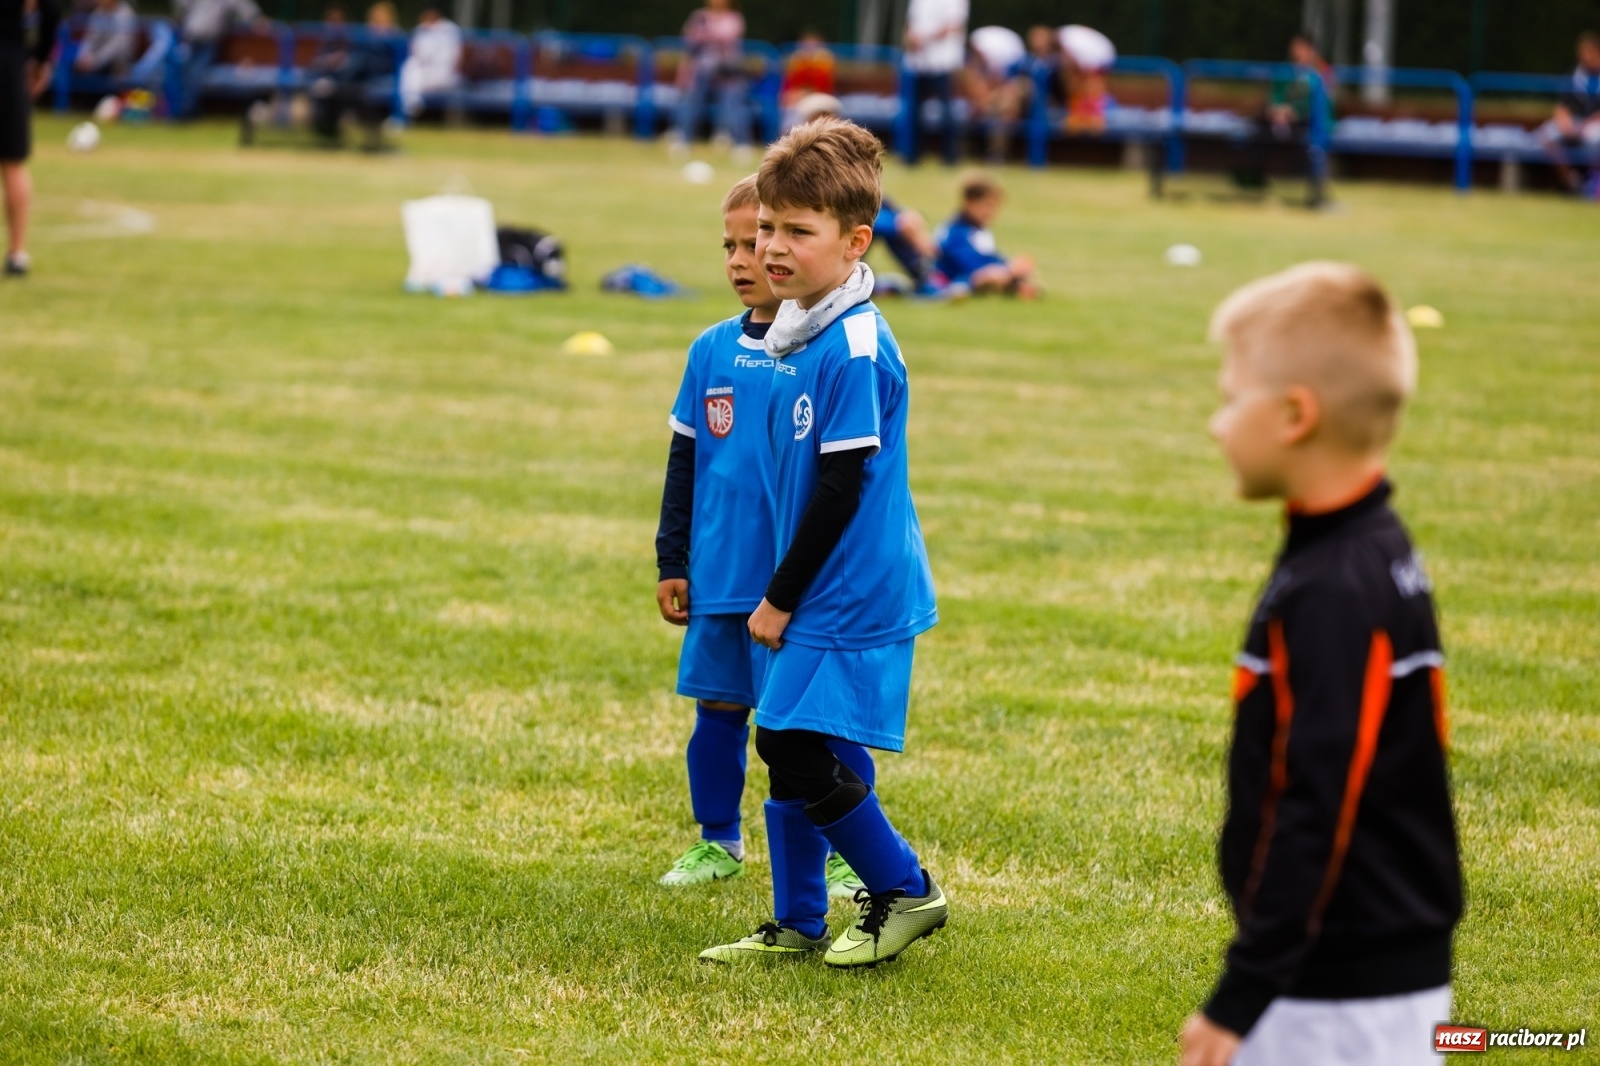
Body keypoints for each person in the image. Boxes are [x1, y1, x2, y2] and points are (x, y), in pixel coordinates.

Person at [1179, 262, 1463, 1066]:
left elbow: (1318, 797)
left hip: (1339, 992)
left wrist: (1242, 995)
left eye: (1231, 399)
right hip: (1351, 971)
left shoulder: (1335, 587)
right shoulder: (1363, 545)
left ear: (1295, 415)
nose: (1217, 425)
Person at [700, 116, 946, 967]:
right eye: (767, 226)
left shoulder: (854, 344)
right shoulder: (796, 327)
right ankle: (800, 921)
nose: (773, 247)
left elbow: (843, 489)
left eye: (798, 232)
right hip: (811, 578)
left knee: (788, 741)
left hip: (846, 583)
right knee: (792, 738)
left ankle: (905, 888)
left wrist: (779, 596)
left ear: (855, 241)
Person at [655, 175, 871, 899]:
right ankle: (718, 839)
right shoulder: (710, 349)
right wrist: (672, 558)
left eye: (757, 242)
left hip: (795, 584)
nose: (745, 259)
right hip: (721, 574)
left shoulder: (822, 351)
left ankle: (844, 852)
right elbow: (684, 462)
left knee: (817, 722)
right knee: (717, 709)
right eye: (732, 245)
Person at [793, 91, 944, 295]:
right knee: (886, 225)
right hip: (816, 233)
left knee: (893, 221)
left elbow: (868, 197)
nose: (827, 122)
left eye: (831, 116)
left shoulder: (841, 158)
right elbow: (829, 210)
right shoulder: (802, 160)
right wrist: (897, 223)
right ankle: (925, 279)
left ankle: (923, 277)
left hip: (842, 229)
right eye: (819, 117)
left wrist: (904, 216)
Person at [2, 0, 59, 276]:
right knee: (13, 160)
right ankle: (17, 254)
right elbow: (50, 9)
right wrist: (40, 60)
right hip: (8, 61)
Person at [308, 0, 397, 143]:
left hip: (377, 75)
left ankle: (333, 84)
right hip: (359, 78)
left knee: (356, 64)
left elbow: (387, 64)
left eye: (380, 19)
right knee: (349, 72)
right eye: (374, 19)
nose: (376, 23)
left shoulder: (394, 38)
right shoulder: (364, 36)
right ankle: (330, 91)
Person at [934, 172, 1036, 297]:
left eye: (994, 207)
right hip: (950, 281)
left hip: (968, 277)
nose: (990, 212)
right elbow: (970, 264)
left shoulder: (979, 230)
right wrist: (1007, 269)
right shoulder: (955, 231)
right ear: (969, 203)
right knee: (992, 275)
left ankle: (1018, 286)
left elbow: (989, 256)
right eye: (986, 206)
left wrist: (1011, 266)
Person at [670, 0, 749, 154]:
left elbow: (727, 36)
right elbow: (689, 41)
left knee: (733, 101)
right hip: (701, 73)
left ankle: (741, 144)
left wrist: (706, 32)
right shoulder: (699, 16)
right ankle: (683, 140)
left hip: (727, 73)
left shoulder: (734, 18)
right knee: (692, 99)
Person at [173, 0, 266, 117]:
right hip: (204, 36)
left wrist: (179, 17)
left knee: (190, 72)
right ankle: (186, 109)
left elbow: (182, 5)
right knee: (192, 73)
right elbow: (243, 6)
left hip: (195, 34)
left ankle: (184, 109)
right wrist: (256, 18)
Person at [902, 0, 966, 165]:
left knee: (946, 110)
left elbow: (953, 26)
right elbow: (911, 23)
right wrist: (910, 38)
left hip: (943, 62)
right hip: (918, 62)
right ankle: (914, 154)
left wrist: (923, 39)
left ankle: (949, 156)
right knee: (915, 110)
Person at [1538, 31, 1600, 196]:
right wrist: (1565, 122)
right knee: (1546, 135)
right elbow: (1561, 106)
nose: (1584, 57)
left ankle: (1594, 182)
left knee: (1594, 139)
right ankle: (1573, 182)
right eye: (1582, 53)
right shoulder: (1575, 74)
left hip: (1594, 124)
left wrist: (1585, 125)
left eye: (1588, 52)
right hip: (1576, 123)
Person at [965, 25, 1025, 163]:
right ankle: (970, 152)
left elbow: (1006, 96)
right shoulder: (974, 68)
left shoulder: (1018, 78)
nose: (976, 54)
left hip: (1001, 107)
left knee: (1001, 111)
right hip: (986, 106)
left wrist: (990, 101)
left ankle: (996, 154)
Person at [398, 6, 459, 117]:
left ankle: (406, 111)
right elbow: (415, 53)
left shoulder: (449, 29)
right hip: (424, 75)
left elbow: (456, 58)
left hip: (445, 75)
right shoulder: (420, 29)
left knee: (411, 71)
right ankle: (411, 106)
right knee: (410, 67)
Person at [72, 0, 137, 76]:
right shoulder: (97, 13)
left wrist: (95, 60)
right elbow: (89, 39)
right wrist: (82, 56)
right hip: (96, 59)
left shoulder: (125, 14)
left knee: (118, 66)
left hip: (117, 61)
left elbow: (117, 47)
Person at [779, 29, 833, 115]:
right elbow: (788, 87)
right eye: (807, 44)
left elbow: (823, 88)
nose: (809, 48)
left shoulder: (824, 63)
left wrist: (805, 93)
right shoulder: (796, 63)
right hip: (797, 99)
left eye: (813, 45)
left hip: (817, 98)